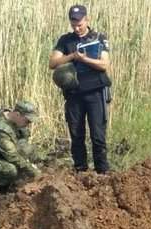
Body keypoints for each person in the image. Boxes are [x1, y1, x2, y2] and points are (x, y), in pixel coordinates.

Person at [49, 4, 111, 174]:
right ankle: (81, 171)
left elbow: (104, 64)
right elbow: (53, 63)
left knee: (98, 136)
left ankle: (102, 172)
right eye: (73, 25)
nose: (77, 28)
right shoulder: (65, 40)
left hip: (95, 93)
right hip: (74, 94)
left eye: (80, 24)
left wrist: (85, 60)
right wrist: (72, 56)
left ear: (86, 20)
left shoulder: (98, 38)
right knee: (76, 135)